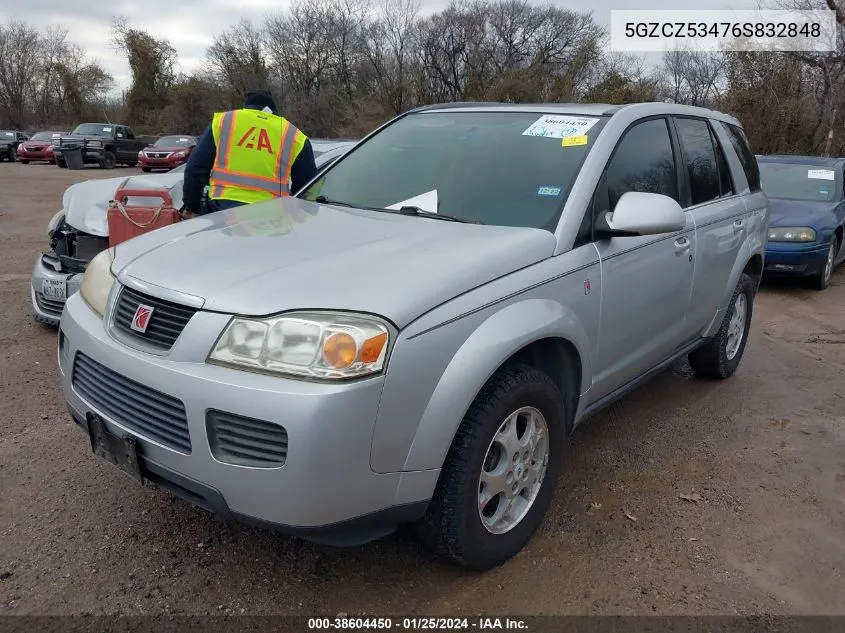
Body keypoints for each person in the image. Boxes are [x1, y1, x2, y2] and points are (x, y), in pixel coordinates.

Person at [181, 90, 317, 218]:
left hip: (223, 211)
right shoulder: (294, 135)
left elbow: (195, 169)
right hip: (273, 216)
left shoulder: (224, 121)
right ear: (274, 110)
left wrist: (193, 207)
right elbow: (308, 188)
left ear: (246, 106)